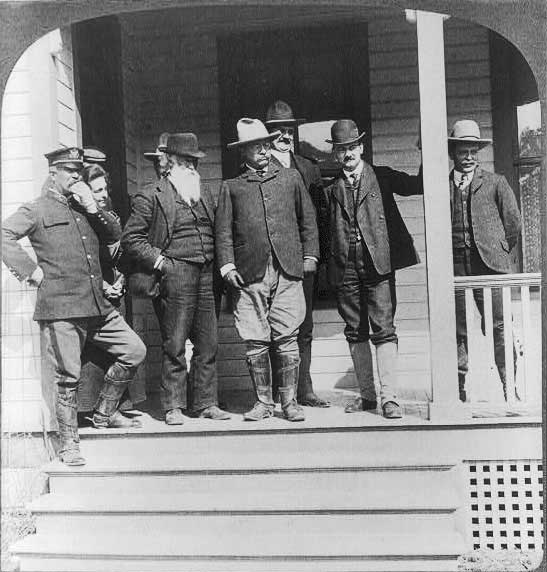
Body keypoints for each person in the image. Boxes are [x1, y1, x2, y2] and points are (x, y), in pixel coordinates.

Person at [2, 147, 147, 466]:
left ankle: (104, 413)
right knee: (68, 376)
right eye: (69, 171)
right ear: (53, 173)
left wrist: (94, 206)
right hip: (62, 309)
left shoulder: (84, 207)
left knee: (134, 350)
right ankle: (69, 444)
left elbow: (114, 234)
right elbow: (4, 234)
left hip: (97, 305)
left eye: (79, 171)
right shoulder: (36, 208)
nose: (76, 176)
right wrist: (30, 272)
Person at [122, 133, 230, 425]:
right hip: (175, 272)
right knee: (175, 342)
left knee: (208, 342)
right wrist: (161, 262)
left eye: (194, 162)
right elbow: (132, 238)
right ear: (169, 163)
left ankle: (206, 402)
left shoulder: (205, 193)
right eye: (186, 161)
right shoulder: (151, 194)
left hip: (207, 274)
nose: (192, 167)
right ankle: (173, 406)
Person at [216, 118, 319, 422]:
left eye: (264, 144)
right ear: (243, 152)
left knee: (287, 334)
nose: (262, 150)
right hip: (249, 273)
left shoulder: (290, 179)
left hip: (288, 268)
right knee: (255, 338)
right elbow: (223, 232)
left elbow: (308, 221)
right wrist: (227, 266)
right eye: (254, 146)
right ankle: (263, 402)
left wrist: (310, 255)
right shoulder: (231, 187)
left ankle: (289, 402)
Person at [323, 119, 423, 419]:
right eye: (342, 149)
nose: (348, 153)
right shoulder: (329, 189)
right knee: (355, 331)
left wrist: (426, 150)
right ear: (335, 155)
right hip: (345, 268)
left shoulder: (382, 177)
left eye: (352, 146)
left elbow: (419, 185)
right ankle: (367, 397)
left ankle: (389, 398)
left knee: (384, 329)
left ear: (362, 147)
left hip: (378, 266)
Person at [447, 119, 522, 402]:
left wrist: (499, 252)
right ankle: (457, 389)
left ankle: (509, 386)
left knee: (500, 324)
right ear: (453, 153)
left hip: (489, 265)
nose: (468, 158)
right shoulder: (442, 185)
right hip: (454, 265)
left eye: (473, 152)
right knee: (455, 327)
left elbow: (513, 224)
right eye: (463, 152)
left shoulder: (495, 182)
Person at [264, 100, 329, 408]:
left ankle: (304, 389)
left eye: (289, 129)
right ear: (267, 134)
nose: (284, 135)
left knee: (304, 326)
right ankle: (279, 392)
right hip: (269, 263)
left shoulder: (308, 168)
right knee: (274, 326)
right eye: (278, 130)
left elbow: (319, 216)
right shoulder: (258, 168)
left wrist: (314, 256)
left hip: (302, 261)